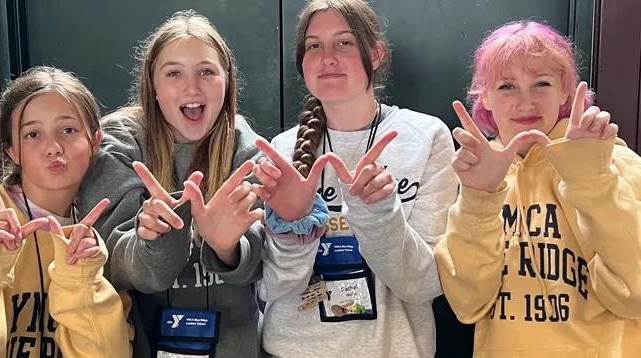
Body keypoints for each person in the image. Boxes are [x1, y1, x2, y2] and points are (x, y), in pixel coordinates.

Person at [252, 0, 459, 356]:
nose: (327, 58)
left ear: (376, 54)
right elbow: (269, 289)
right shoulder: (282, 151)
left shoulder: (426, 137)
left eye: (344, 42)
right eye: (314, 45)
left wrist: (379, 214)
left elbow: (424, 284)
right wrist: (292, 226)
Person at [434, 20, 641, 357]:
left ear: (566, 91)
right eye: (506, 87)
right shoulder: (477, 173)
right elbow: (467, 303)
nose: (525, 102)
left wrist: (592, 182)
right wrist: (479, 198)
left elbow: (635, 296)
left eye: (541, 83)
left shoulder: (614, 161)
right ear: (484, 97)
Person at [77, 10, 267, 357]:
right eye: (174, 73)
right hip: (141, 345)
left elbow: (260, 267)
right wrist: (153, 241)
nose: (191, 87)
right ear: (153, 84)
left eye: (206, 72)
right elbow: (108, 267)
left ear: (228, 81)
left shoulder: (247, 148)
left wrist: (227, 248)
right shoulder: (120, 146)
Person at [0, 66, 131, 357]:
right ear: (12, 151)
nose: (53, 148)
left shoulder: (101, 234)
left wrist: (81, 278)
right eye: (33, 134)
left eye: (68, 130)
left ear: (94, 141)